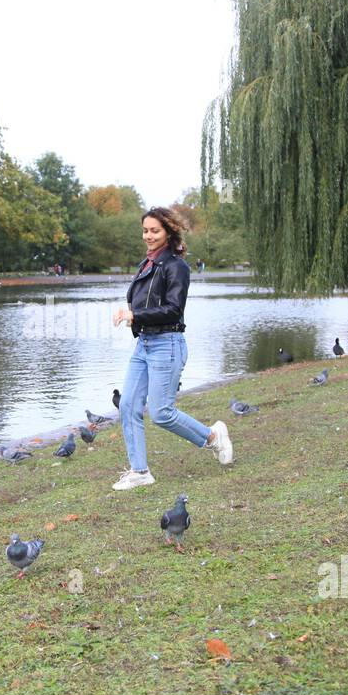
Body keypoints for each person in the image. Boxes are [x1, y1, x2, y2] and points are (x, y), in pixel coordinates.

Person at [110, 206, 233, 490]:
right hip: (144, 345)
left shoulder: (176, 266)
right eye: (145, 230)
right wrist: (129, 315)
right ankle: (140, 472)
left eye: (154, 231)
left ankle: (212, 437)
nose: (148, 236)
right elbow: (145, 304)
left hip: (168, 344)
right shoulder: (147, 264)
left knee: (161, 412)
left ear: (168, 232)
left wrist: (136, 316)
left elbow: (174, 310)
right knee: (127, 405)